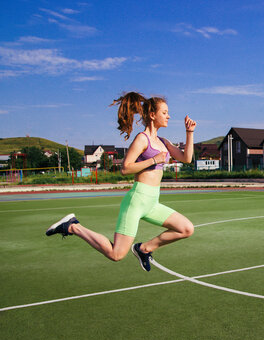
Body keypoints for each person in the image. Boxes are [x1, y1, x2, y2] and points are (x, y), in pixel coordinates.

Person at [46, 92, 196, 272]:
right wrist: (154, 160)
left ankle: (144, 249)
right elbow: (125, 168)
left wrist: (189, 133)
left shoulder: (164, 142)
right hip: (137, 201)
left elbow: (187, 158)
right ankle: (73, 227)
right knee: (116, 254)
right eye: (164, 112)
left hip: (152, 202)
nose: (169, 116)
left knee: (186, 229)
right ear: (152, 115)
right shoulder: (142, 139)